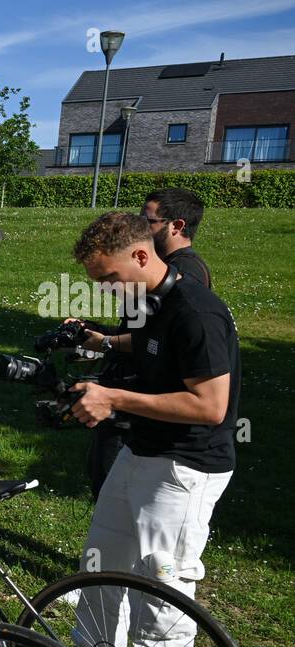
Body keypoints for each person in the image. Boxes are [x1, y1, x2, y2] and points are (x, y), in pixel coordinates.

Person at [68, 212, 239, 647]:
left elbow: (211, 406)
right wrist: (102, 344)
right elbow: (145, 346)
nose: (107, 291)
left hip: (183, 469)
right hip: (137, 451)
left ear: (143, 256)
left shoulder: (198, 312)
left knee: (161, 592)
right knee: (101, 570)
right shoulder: (148, 303)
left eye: (110, 279)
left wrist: (115, 397)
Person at [87, 189, 215, 496]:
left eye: (149, 220)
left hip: (148, 408)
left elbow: (165, 341)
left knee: (115, 485)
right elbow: (144, 331)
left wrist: (107, 343)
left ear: (177, 226)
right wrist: (97, 335)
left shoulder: (185, 276)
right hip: (134, 392)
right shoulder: (157, 271)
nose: (141, 228)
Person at [142, 188, 212, 288]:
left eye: (147, 220)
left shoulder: (185, 270)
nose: (139, 226)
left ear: (176, 226)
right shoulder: (168, 262)